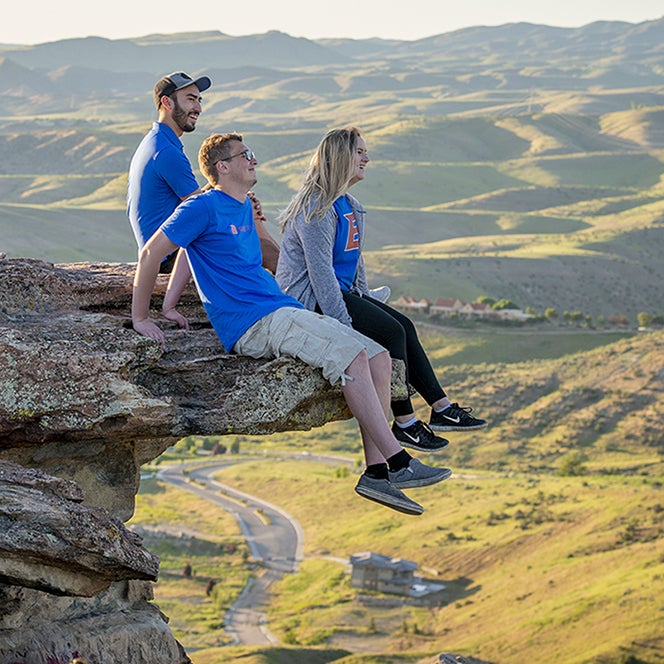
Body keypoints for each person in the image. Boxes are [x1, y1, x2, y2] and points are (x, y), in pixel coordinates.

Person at [131, 132, 452, 515]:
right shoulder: (202, 206)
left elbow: (196, 250)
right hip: (255, 321)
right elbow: (153, 251)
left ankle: (377, 473)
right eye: (245, 155)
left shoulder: (238, 205)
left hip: (279, 307)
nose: (254, 159)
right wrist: (140, 317)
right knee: (350, 358)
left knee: (378, 356)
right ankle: (401, 463)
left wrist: (171, 304)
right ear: (223, 166)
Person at [276, 127, 487, 453]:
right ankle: (405, 423)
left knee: (404, 325)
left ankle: (442, 408)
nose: (366, 158)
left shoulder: (349, 205)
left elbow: (353, 265)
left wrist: (366, 299)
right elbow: (320, 276)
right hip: (312, 301)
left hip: (341, 293)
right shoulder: (315, 209)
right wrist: (343, 327)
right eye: (359, 152)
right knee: (391, 333)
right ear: (341, 157)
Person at [127, 71, 280, 327]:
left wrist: (240, 200)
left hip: (175, 243)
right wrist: (244, 208)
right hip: (169, 254)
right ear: (167, 103)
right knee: (255, 241)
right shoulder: (166, 152)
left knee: (245, 212)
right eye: (190, 99)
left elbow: (203, 201)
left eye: (199, 100)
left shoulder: (158, 141)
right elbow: (205, 209)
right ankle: (299, 294)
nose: (197, 107)